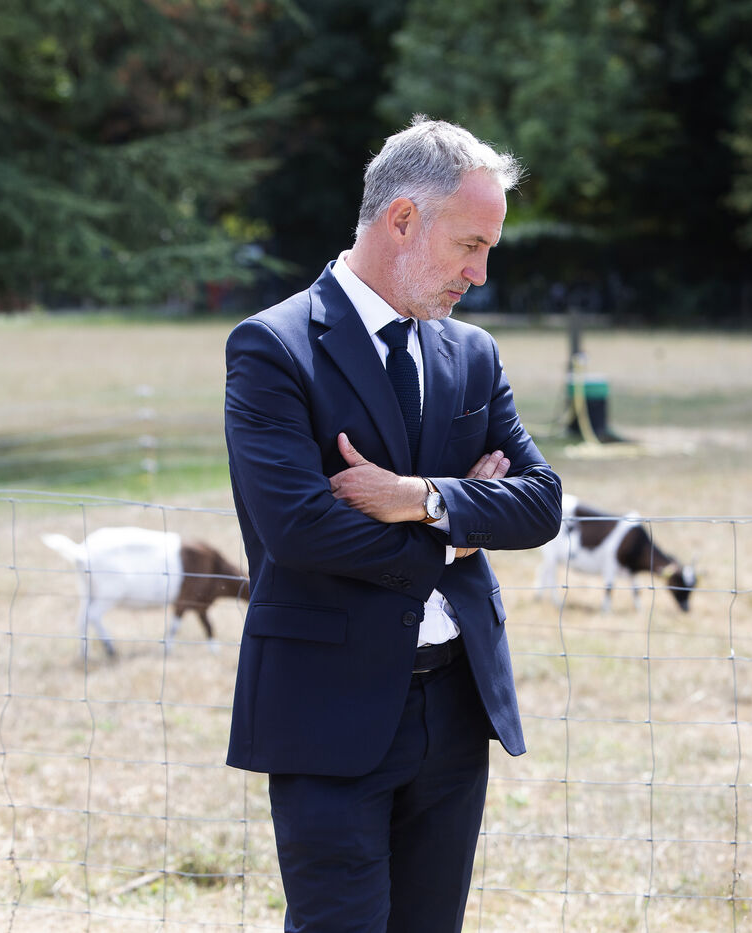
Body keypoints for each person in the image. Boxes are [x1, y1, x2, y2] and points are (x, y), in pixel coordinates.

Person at [223, 115, 563, 932]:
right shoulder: (272, 348)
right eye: (470, 245)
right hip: (327, 709)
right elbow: (301, 529)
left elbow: (542, 502)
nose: (480, 273)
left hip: (456, 710)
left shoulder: (472, 353)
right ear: (403, 219)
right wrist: (462, 529)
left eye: (489, 249)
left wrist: (421, 497)